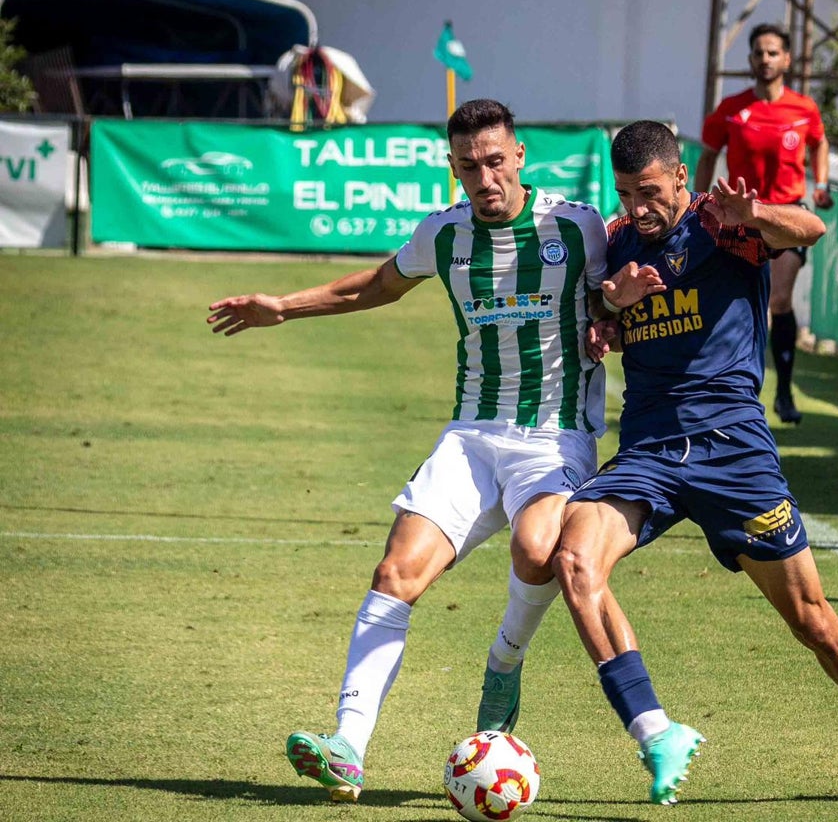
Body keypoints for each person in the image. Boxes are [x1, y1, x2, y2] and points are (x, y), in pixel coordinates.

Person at [205, 98, 660, 802]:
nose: (485, 178)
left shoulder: (578, 226)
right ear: (454, 168)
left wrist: (613, 316)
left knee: (539, 550)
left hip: (554, 434)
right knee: (396, 571)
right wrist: (284, 306)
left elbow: (616, 295)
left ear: (519, 157)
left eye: (496, 162)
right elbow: (377, 286)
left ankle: (503, 661)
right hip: (470, 434)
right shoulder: (442, 235)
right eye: (469, 166)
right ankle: (348, 748)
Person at [554, 120, 838, 806]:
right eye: (624, 193)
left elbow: (811, 229)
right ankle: (655, 731)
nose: (638, 208)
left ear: (681, 176)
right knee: (575, 558)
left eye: (649, 192)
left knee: (813, 622)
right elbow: (594, 321)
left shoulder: (721, 225)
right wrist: (608, 307)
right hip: (647, 451)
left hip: (734, 454)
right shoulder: (615, 246)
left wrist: (756, 212)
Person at [695, 23, 834, 425]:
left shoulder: (803, 108)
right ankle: (738, 393)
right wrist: (696, 206)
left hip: (788, 215)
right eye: (758, 52)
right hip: (739, 218)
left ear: (787, 59)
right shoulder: (731, 109)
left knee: (777, 299)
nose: (765, 59)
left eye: (773, 52)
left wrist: (820, 184)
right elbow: (707, 155)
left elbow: (820, 142)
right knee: (740, 303)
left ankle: (784, 392)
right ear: (751, 59)